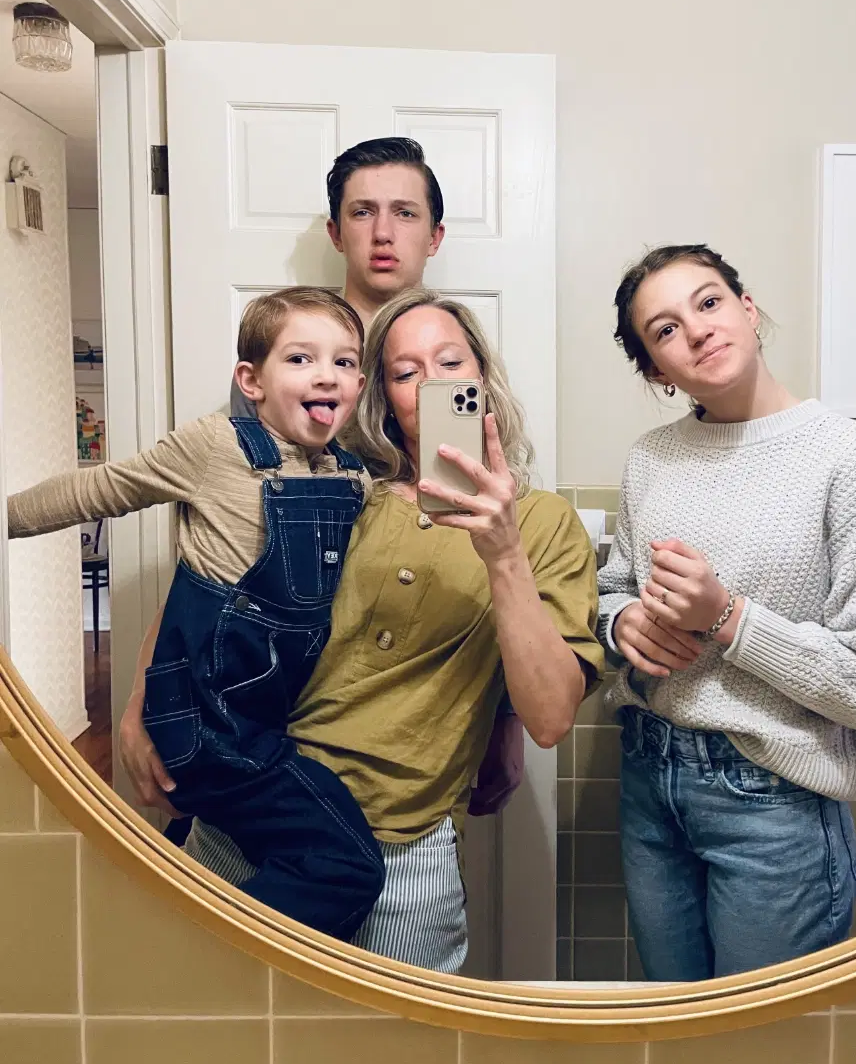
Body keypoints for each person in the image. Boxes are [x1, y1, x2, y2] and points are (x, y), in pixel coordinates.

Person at [121, 289, 603, 971]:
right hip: (259, 807)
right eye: (405, 372)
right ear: (382, 396)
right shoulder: (337, 488)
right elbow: (209, 582)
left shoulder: (543, 524)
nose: (431, 383)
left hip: (403, 845)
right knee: (212, 1026)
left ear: (482, 378)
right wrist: (143, 700)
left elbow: (551, 716)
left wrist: (503, 552)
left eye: (449, 361)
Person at [10, 287, 385, 940]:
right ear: (252, 380)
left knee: (272, 845)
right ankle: (199, 953)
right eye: (301, 358)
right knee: (347, 860)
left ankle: (180, 904)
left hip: (262, 717)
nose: (327, 373)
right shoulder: (218, 446)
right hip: (206, 719)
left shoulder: (352, 477)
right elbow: (100, 488)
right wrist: (7, 517)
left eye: (346, 361)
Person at [599, 244, 856, 982]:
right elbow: (612, 587)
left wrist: (729, 619)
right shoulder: (651, 457)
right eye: (664, 328)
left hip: (774, 805)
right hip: (651, 783)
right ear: (657, 370)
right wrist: (621, 624)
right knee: (675, 1044)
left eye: (709, 302)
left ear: (748, 310)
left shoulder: (851, 457)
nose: (697, 329)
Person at [229, 135, 524, 817]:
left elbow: (497, 554)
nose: (383, 232)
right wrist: (148, 697)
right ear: (335, 231)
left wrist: (502, 716)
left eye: (405, 213)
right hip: (265, 687)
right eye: (362, 213)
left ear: (436, 234)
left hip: (408, 736)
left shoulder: (458, 369)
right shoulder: (291, 358)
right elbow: (222, 528)